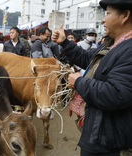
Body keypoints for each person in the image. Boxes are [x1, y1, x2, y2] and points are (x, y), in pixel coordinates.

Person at [52, 0, 132, 155]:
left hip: (109, 141)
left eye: (108, 13)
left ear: (125, 16)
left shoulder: (128, 50)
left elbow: (117, 94)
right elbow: (85, 58)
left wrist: (79, 82)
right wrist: (64, 43)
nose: (103, 19)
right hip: (99, 130)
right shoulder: (111, 45)